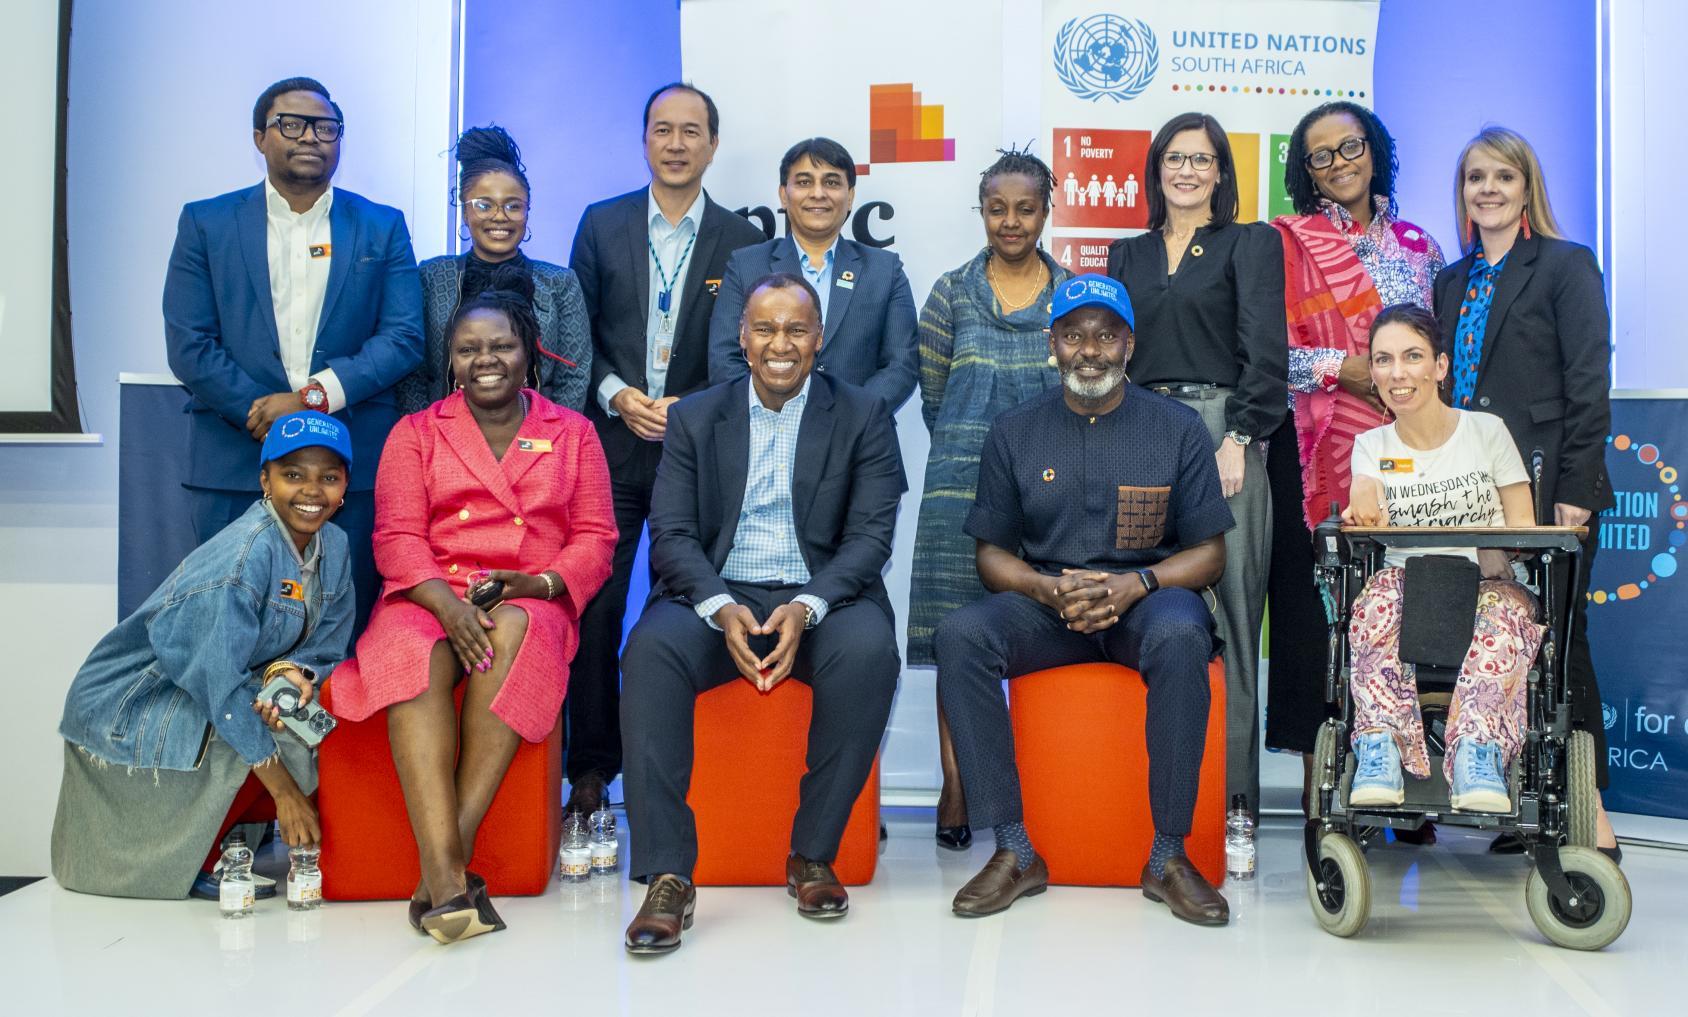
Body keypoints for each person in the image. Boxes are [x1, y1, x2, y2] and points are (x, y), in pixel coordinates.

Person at [936, 275, 1234, 927]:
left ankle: (1169, 857)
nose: (1089, 350)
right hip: (1049, 606)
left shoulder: (1178, 428)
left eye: (1105, 335)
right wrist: (1045, 588)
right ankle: (1014, 850)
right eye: (1073, 335)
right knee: (961, 636)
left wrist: (1140, 583)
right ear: (1053, 345)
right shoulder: (1015, 430)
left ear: (1129, 345)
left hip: (1146, 603)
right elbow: (991, 555)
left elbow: (1209, 553)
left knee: (1183, 633)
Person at [620, 274, 905, 955]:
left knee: (870, 654)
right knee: (649, 653)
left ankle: (812, 854)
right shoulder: (696, 416)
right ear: (743, 338)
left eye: (796, 329)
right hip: (717, 593)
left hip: (822, 594)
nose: (782, 344)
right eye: (767, 329)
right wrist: (720, 608)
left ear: (819, 338)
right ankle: (668, 875)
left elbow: (871, 537)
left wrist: (807, 605)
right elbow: (672, 533)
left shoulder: (864, 414)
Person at [328, 278, 617, 942]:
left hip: (529, 594)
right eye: (467, 349)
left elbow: (596, 537)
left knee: (510, 631)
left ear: (529, 351)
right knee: (411, 652)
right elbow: (396, 537)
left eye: (501, 345)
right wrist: (445, 605)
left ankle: (440, 874)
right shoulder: (415, 432)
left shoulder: (573, 433)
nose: (485, 359)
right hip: (427, 590)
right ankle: (452, 882)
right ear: (451, 360)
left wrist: (539, 583)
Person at [52, 412, 354, 900]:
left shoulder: (334, 546)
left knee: (299, 714)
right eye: (293, 474)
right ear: (265, 480)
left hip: (209, 685)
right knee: (250, 723)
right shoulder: (244, 557)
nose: (311, 491)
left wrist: (294, 672)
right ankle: (199, 857)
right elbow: (218, 686)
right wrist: (286, 793)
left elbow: (329, 643)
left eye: (329, 477)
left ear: (344, 489)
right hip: (137, 700)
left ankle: (227, 842)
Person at [567, 82, 766, 816]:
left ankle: (676, 770)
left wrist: (696, 406)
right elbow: (572, 334)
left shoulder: (744, 240)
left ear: (713, 145)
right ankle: (591, 769)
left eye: (691, 131)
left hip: (697, 452)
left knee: (684, 608)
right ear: (644, 139)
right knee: (596, 607)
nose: (676, 144)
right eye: (662, 129)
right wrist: (616, 392)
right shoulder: (601, 223)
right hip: (611, 446)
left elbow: (749, 348)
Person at [163, 76, 423, 632]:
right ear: (260, 137)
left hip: (348, 469)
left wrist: (307, 400)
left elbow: (403, 338)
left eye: (325, 127)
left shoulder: (382, 226)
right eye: (291, 124)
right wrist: (263, 412)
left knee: (342, 630)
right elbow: (189, 344)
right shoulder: (206, 223)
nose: (310, 136)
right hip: (234, 460)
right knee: (224, 630)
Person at [1432, 126, 1619, 857]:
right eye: (1476, 177)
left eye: (1503, 176)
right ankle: (1522, 800)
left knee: (1561, 644)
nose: (1488, 189)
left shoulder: (1567, 266)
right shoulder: (1451, 281)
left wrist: (1575, 486)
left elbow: (1588, 385)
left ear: (1526, 187)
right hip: (1470, 492)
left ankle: (1588, 813)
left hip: (1549, 487)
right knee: (1497, 641)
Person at [1265, 102, 1446, 826]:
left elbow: (1442, 350)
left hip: (1411, 451)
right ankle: (1321, 795)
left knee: (1402, 606)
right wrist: (1344, 368)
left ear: (1374, 150)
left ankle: (1408, 788)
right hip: (1315, 451)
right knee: (1314, 615)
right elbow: (1264, 351)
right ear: (1305, 172)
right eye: (1321, 155)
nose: (1339, 163)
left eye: (1350, 146)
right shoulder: (1285, 244)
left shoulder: (1421, 246)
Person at [1107, 112, 1287, 816]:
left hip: (1223, 434)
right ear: (1156, 170)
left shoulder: (1251, 243)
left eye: (1201, 159)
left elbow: (1266, 354)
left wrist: (1238, 436)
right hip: (1141, 432)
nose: (1187, 170)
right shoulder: (1127, 254)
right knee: (1143, 606)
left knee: (1235, 620)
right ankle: (1152, 804)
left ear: (1220, 172)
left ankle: (1234, 804)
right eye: (1175, 158)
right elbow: (1113, 355)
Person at [909, 148, 1071, 851]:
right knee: (956, 635)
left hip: (1053, 494)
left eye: (1025, 208)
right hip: (960, 491)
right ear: (981, 211)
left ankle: (1037, 787)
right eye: (997, 208)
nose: (1011, 221)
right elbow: (935, 396)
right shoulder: (949, 293)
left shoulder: (1072, 295)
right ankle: (957, 782)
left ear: (1046, 211)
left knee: (1043, 629)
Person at [1341, 305, 1541, 812]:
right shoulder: (1371, 445)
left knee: (1504, 614)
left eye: (1413, 356)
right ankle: (1380, 747)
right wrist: (1361, 500)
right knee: (1374, 603)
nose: (1398, 373)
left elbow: (1523, 523)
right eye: (1383, 360)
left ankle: (1479, 753)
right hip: (1409, 585)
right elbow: (1365, 493)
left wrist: (1495, 545)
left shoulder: (1486, 431)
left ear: (1440, 366)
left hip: (1488, 583)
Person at [706, 137, 919, 414]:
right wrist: (782, 413)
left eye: (831, 182)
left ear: (850, 196)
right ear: (784, 195)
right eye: (804, 182)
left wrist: (849, 419)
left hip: (859, 434)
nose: (818, 193)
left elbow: (901, 366)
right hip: (764, 429)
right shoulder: (745, 265)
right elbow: (724, 359)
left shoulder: (885, 270)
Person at [399, 125, 591, 414]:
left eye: (513, 206)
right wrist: (425, 431)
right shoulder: (432, 276)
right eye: (484, 205)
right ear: (464, 211)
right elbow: (411, 370)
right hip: (442, 430)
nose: (500, 217)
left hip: (540, 434)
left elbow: (574, 376)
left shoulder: (559, 283)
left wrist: (552, 433)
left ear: (527, 211)